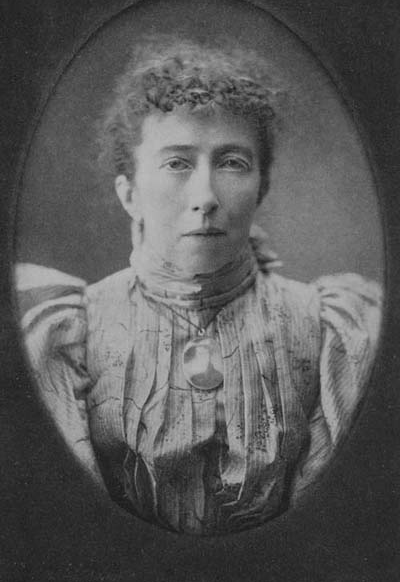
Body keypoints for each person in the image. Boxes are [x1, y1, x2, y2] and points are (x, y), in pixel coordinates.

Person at [16, 37, 382, 536]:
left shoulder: (331, 329)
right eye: (177, 163)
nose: (205, 196)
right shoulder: (64, 332)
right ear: (129, 194)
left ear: (262, 187)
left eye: (232, 162)